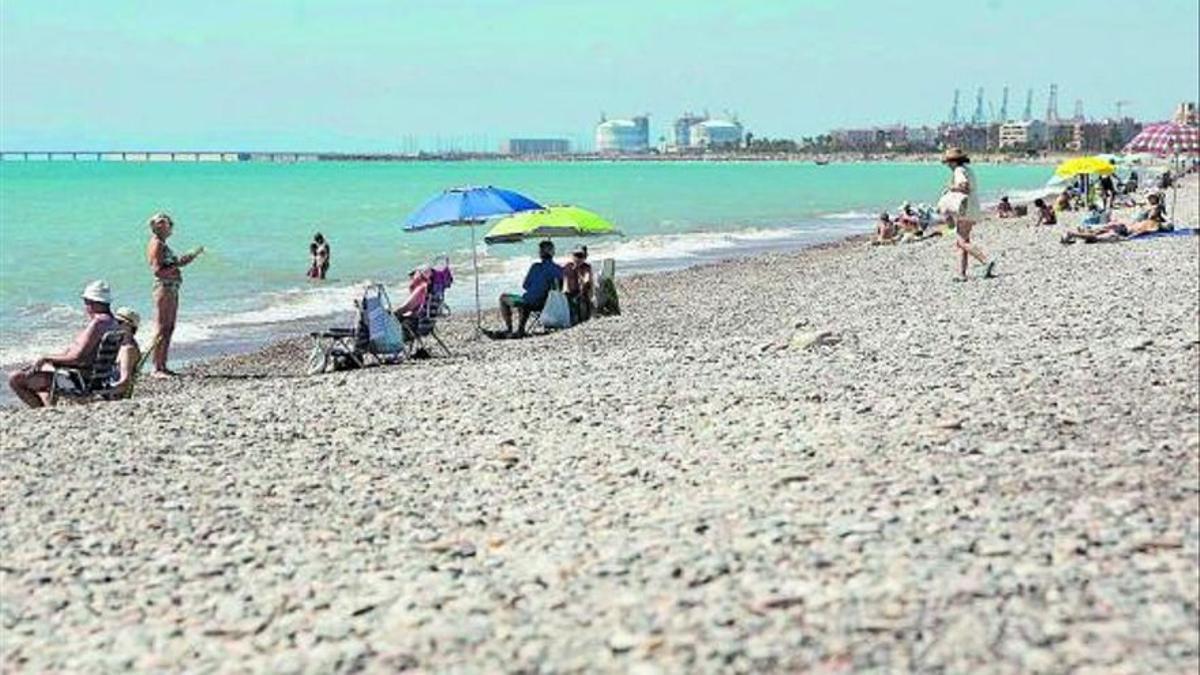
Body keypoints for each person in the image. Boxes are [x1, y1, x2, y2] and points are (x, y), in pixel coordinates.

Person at [7, 281, 118, 408]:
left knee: (15, 379)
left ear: (92, 302)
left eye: (86, 302)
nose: (86, 307)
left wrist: (46, 358)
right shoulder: (113, 323)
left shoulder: (97, 323)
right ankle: (48, 409)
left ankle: (42, 412)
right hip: (97, 378)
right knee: (41, 370)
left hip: (79, 380)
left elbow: (77, 358)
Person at [146, 212, 204, 378]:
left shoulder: (163, 244)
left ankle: (163, 365)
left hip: (171, 287)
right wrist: (178, 264)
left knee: (169, 327)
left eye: (169, 223)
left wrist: (189, 257)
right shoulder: (156, 244)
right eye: (164, 223)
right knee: (162, 327)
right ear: (156, 227)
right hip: (164, 287)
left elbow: (173, 264)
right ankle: (156, 367)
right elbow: (158, 270)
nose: (169, 226)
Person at [936, 147, 994, 282]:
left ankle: (986, 260)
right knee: (964, 240)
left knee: (961, 241)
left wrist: (950, 188)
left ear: (953, 161)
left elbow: (965, 187)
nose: (948, 165)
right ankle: (962, 273)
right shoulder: (968, 170)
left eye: (949, 162)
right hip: (973, 206)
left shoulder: (959, 171)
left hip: (965, 207)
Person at [498, 240, 562, 337]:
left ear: (540, 253)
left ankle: (510, 328)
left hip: (528, 302)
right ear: (553, 252)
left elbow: (525, 286)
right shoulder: (558, 269)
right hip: (546, 304)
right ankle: (520, 330)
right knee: (528, 301)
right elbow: (559, 289)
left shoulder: (535, 267)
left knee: (503, 297)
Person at [111, 307, 142, 399]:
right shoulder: (123, 345)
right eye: (114, 321)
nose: (114, 325)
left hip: (115, 395)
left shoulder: (127, 350)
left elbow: (124, 381)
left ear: (129, 326)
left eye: (119, 322)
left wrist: (97, 392)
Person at [561, 245, 594, 324]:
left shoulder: (586, 267)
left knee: (584, 294)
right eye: (576, 255)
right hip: (570, 293)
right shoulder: (568, 266)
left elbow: (587, 279)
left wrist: (582, 278)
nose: (578, 258)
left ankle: (582, 318)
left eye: (580, 256)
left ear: (585, 257)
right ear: (572, 256)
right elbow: (565, 282)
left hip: (581, 293)